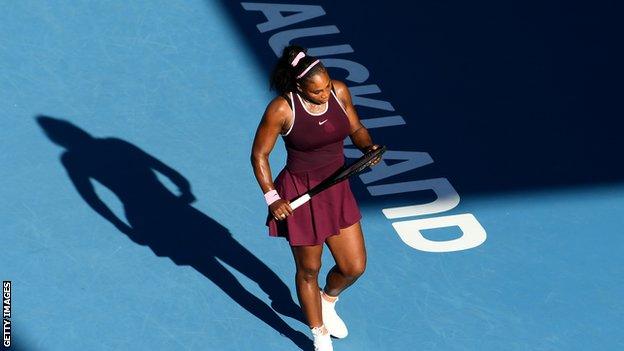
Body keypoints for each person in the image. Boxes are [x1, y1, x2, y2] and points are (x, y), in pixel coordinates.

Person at [250, 45, 381, 351]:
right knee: (309, 269)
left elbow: (356, 128)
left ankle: (327, 300)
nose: (325, 95)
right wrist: (272, 197)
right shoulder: (282, 110)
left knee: (354, 266)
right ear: (299, 86)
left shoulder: (339, 91)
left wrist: (367, 148)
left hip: (336, 187)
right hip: (300, 195)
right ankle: (318, 333)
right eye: (317, 92)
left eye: (326, 88)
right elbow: (259, 155)